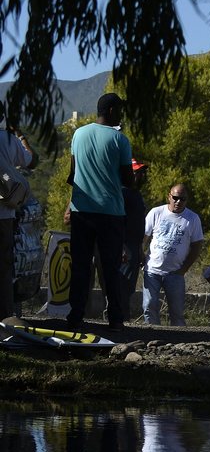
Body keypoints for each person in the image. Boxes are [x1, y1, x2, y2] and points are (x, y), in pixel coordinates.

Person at [65, 92, 133, 331]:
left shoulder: (78, 134)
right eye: (120, 110)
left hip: (81, 210)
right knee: (110, 267)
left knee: (81, 265)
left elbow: (73, 175)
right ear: (112, 111)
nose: (122, 114)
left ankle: (75, 315)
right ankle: (115, 318)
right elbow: (128, 179)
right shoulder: (120, 140)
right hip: (110, 212)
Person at [142, 183, 205, 325]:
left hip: (175, 272)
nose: (178, 202)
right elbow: (144, 237)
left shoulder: (192, 218)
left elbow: (197, 245)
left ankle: (180, 341)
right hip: (152, 270)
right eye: (175, 198)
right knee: (149, 306)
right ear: (169, 196)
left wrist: (184, 269)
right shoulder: (156, 212)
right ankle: (152, 336)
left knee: (176, 311)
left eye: (182, 199)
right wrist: (141, 257)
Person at [0, 100, 37, 319]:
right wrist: (21, 136)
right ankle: (5, 315)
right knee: (4, 267)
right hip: (4, 213)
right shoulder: (8, 140)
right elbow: (32, 162)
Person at [119, 159, 149, 321]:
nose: (140, 176)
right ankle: (119, 319)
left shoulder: (136, 194)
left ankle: (123, 317)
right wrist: (122, 246)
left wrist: (139, 249)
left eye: (141, 172)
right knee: (122, 286)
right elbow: (117, 223)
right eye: (136, 172)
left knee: (129, 286)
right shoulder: (121, 193)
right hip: (124, 248)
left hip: (134, 247)